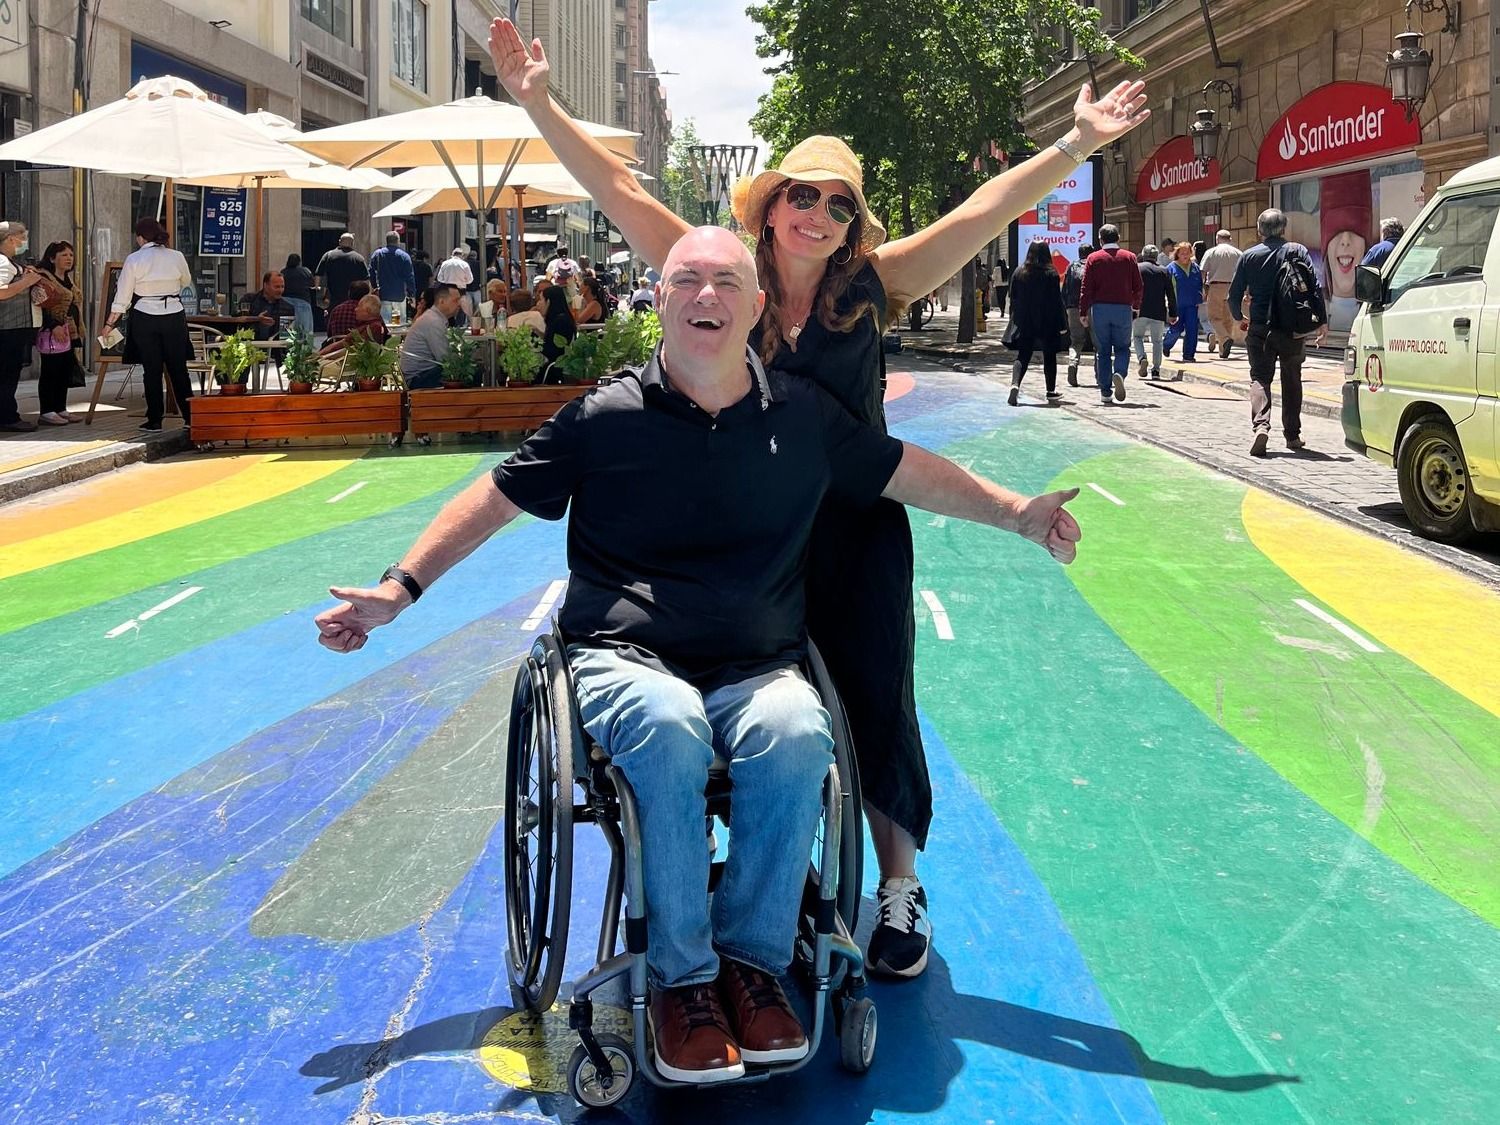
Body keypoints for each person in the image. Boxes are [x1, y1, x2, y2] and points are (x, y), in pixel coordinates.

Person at [313, 225, 1083, 1084]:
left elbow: (908, 470)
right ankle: (683, 977)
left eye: (726, 281)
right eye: (687, 281)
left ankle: (751, 963)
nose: (706, 295)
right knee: (667, 719)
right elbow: (493, 498)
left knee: (800, 730)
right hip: (625, 658)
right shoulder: (606, 416)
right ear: (660, 304)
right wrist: (399, 589)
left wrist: (1019, 512)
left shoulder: (802, 415)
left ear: (757, 307)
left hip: (755, 665)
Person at [490, 13, 1145, 978]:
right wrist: (538, 101)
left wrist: (1075, 144)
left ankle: (898, 886)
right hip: (741, 519)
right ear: (770, 205)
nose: (820, 216)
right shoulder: (717, 268)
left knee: (877, 692)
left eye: (839, 205)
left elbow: (982, 215)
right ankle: (717, 875)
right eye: (804, 196)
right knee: (717, 695)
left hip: (851, 519)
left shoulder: (877, 282)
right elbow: (620, 188)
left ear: (852, 223)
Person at [1229, 208, 1327, 457]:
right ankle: (1292, 436)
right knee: (1292, 379)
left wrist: (1240, 317)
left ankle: (1261, 425)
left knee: (1260, 378)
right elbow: (1314, 286)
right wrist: (1321, 321)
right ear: (1283, 229)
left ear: (1260, 230)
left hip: (1260, 327)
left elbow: (1234, 294)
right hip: (1292, 329)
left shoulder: (1249, 256)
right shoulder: (1298, 250)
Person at [102, 217, 193, 432]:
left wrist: (109, 323)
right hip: (173, 313)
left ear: (140, 237)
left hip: (145, 315)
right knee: (179, 369)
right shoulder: (176, 256)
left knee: (151, 370)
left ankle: (154, 420)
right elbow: (186, 281)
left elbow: (122, 295)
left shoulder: (134, 259)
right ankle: (191, 418)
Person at [1078, 224, 1142, 405]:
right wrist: (1136, 306)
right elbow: (1138, 285)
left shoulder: (1093, 258)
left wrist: (1083, 311)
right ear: (1119, 238)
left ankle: (1106, 392)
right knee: (1122, 347)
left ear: (1100, 239)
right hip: (1123, 308)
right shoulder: (1129, 257)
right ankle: (1119, 373)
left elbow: (1086, 287)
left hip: (1100, 309)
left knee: (1103, 351)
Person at [1003, 240, 1066, 406]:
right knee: (1049, 355)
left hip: (1025, 320)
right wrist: (1062, 324)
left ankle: (1015, 384)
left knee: (1023, 355)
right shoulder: (1051, 273)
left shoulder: (1019, 272)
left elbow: (1013, 297)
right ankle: (1050, 391)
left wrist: (1015, 317)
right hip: (1047, 320)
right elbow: (1056, 301)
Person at [32, 241, 85, 425]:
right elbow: (39, 304)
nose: (69, 258)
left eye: (71, 255)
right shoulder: (44, 278)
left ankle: (60, 408)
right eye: (64, 255)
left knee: (65, 370)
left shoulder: (68, 279)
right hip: (51, 331)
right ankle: (47, 411)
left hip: (69, 332)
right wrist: (53, 325)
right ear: (52, 258)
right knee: (50, 371)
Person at [0, 221, 43, 432]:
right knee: (7, 374)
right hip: (8, 328)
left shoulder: (10, 261)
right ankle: (8, 417)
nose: (24, 242)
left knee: (9, 373)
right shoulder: (2, 262)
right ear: (10, 239)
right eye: (22, 237)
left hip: (13, 328)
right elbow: (1, 291)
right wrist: (27, 282)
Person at [400, 283, 462, 390]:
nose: (459, 304)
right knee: (470, 373)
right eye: (455, 300)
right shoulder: (433, 322)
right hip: (418, 379)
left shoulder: (433, 318)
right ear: (442, 301)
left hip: (419, 374)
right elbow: (445, 359)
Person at [1132, 244, 1177, 381]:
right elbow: (1171, 294)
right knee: (1157, 341)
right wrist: (1173, 313)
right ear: (1156, 256)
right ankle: (1156, 370)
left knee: (1138, 337)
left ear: (1143, 255)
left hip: (1140, 310)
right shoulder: (1164, 271)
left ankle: (1142, 358)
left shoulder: (1137, 268)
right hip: (1158, 311)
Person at [1200, 230, 1244, 359]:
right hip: (1233, 287)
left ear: (1217, 239)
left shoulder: (1211, 252)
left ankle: (1225, 339)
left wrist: (1202, 289)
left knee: (1214, 317)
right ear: (1230, 239)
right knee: (1227, 319)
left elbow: (1202, 271)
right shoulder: (1239, 253)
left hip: (1216, 286)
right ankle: (1223, 350)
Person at [1162, 242, 1204, 361]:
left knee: (1192, 329)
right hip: (1177, 304)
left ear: (1191, 253)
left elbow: (1199, 284)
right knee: (1176, 329)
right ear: (1177, 254)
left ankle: (1189, 355)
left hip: (1192, 304)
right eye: (1182, 253)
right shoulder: (1171, 268)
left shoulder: (1195, 267)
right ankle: (1166, 345)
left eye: (1187, 253)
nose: (1185, 255)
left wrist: (1200, 297)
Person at [1061, 243, 1092, 387]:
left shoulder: (1071, 266)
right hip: (1093, 307)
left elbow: (1065, 289)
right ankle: (1100, 375)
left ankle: (1073, 363)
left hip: (1073, 307)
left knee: (1076, 341)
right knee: (1099, 342)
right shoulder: (1094, 264)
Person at [370, 232, 417, 324]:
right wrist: (412, 294)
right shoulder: (404, 256)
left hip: (383, 295)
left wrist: (375, 286)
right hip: (399, 296)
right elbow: (410, 277)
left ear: (386, 241)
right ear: (398, 241)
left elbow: (371, 272)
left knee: (384, 323)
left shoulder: (378, 254)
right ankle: (396, 337)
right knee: (398, 325)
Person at [315, 233, 369, 311]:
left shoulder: (328, 255)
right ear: (352, 243)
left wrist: (319, 294)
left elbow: (318, 274)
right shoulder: (359, 258)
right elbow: (366, 280)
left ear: (339, 242)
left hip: (332, 299)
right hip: (353, 299)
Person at [241, 271, 296, 341]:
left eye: (282, 287)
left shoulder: (287, 308)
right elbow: (238, 324)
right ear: (266, 285)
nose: (280, 290)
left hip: (274, 349)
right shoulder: (249, 300)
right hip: (250, 346)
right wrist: (256, 320)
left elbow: (286, 338)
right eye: (277, 287)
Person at [538, 283, 576, 371]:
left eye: (541, 300)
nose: (538, 304)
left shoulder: (561, 322)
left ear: (548, 302)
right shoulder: (560, 319)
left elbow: (553, 351)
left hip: (553, 369)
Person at [281, 253, 316, 336]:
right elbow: (312, 284)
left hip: (285, 302)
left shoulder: (283, 272)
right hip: (302, 301)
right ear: (299, 262)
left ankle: (284, 348)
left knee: (286, 332)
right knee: (305, 332)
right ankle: (305, 349)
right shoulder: (305, 271)